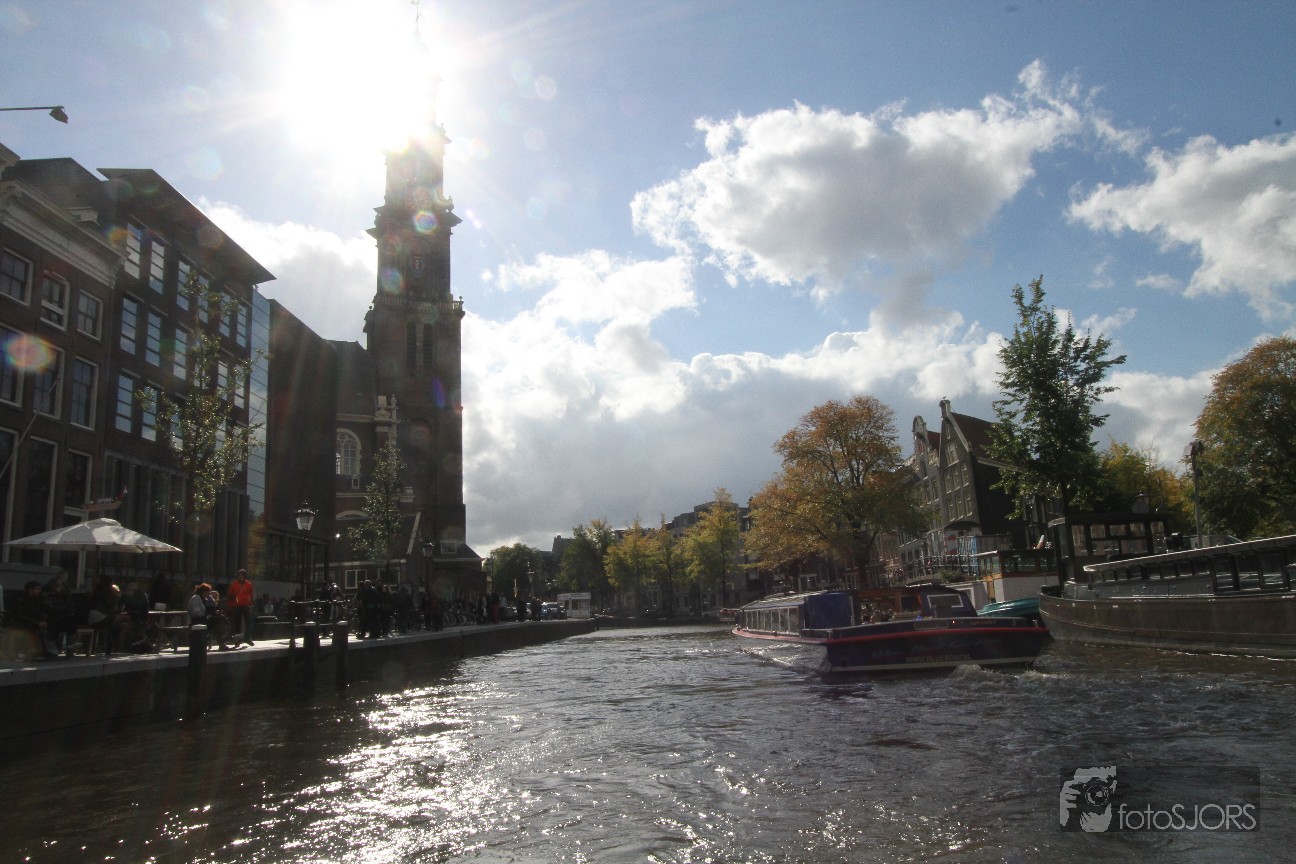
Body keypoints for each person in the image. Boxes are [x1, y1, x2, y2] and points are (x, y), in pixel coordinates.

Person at [13, 581, 59, 659]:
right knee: (33, 629)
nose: (39, 591)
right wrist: (36, 622)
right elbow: (20, 615)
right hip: (23, 622)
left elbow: (43, 611)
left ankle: (47, 649)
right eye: (37, 589)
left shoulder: (40, 599)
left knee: (52, 626)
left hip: (36, 621)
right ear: (30, 590)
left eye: (40, 589)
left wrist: (43, 620)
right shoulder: (21, 600)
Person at [229, 569, 255, 646]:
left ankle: (247, 638)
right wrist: (231, 604)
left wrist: (250, 603)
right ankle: (238, 640)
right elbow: (230, 594)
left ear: (245, 576)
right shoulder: (234, 584)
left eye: (242, 576)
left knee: (248, 622)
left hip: (245, 605)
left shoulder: (249, 584)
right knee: (238, 623)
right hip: (236, 605)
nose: (241, 577)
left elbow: (251, 594)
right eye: (239, 575)